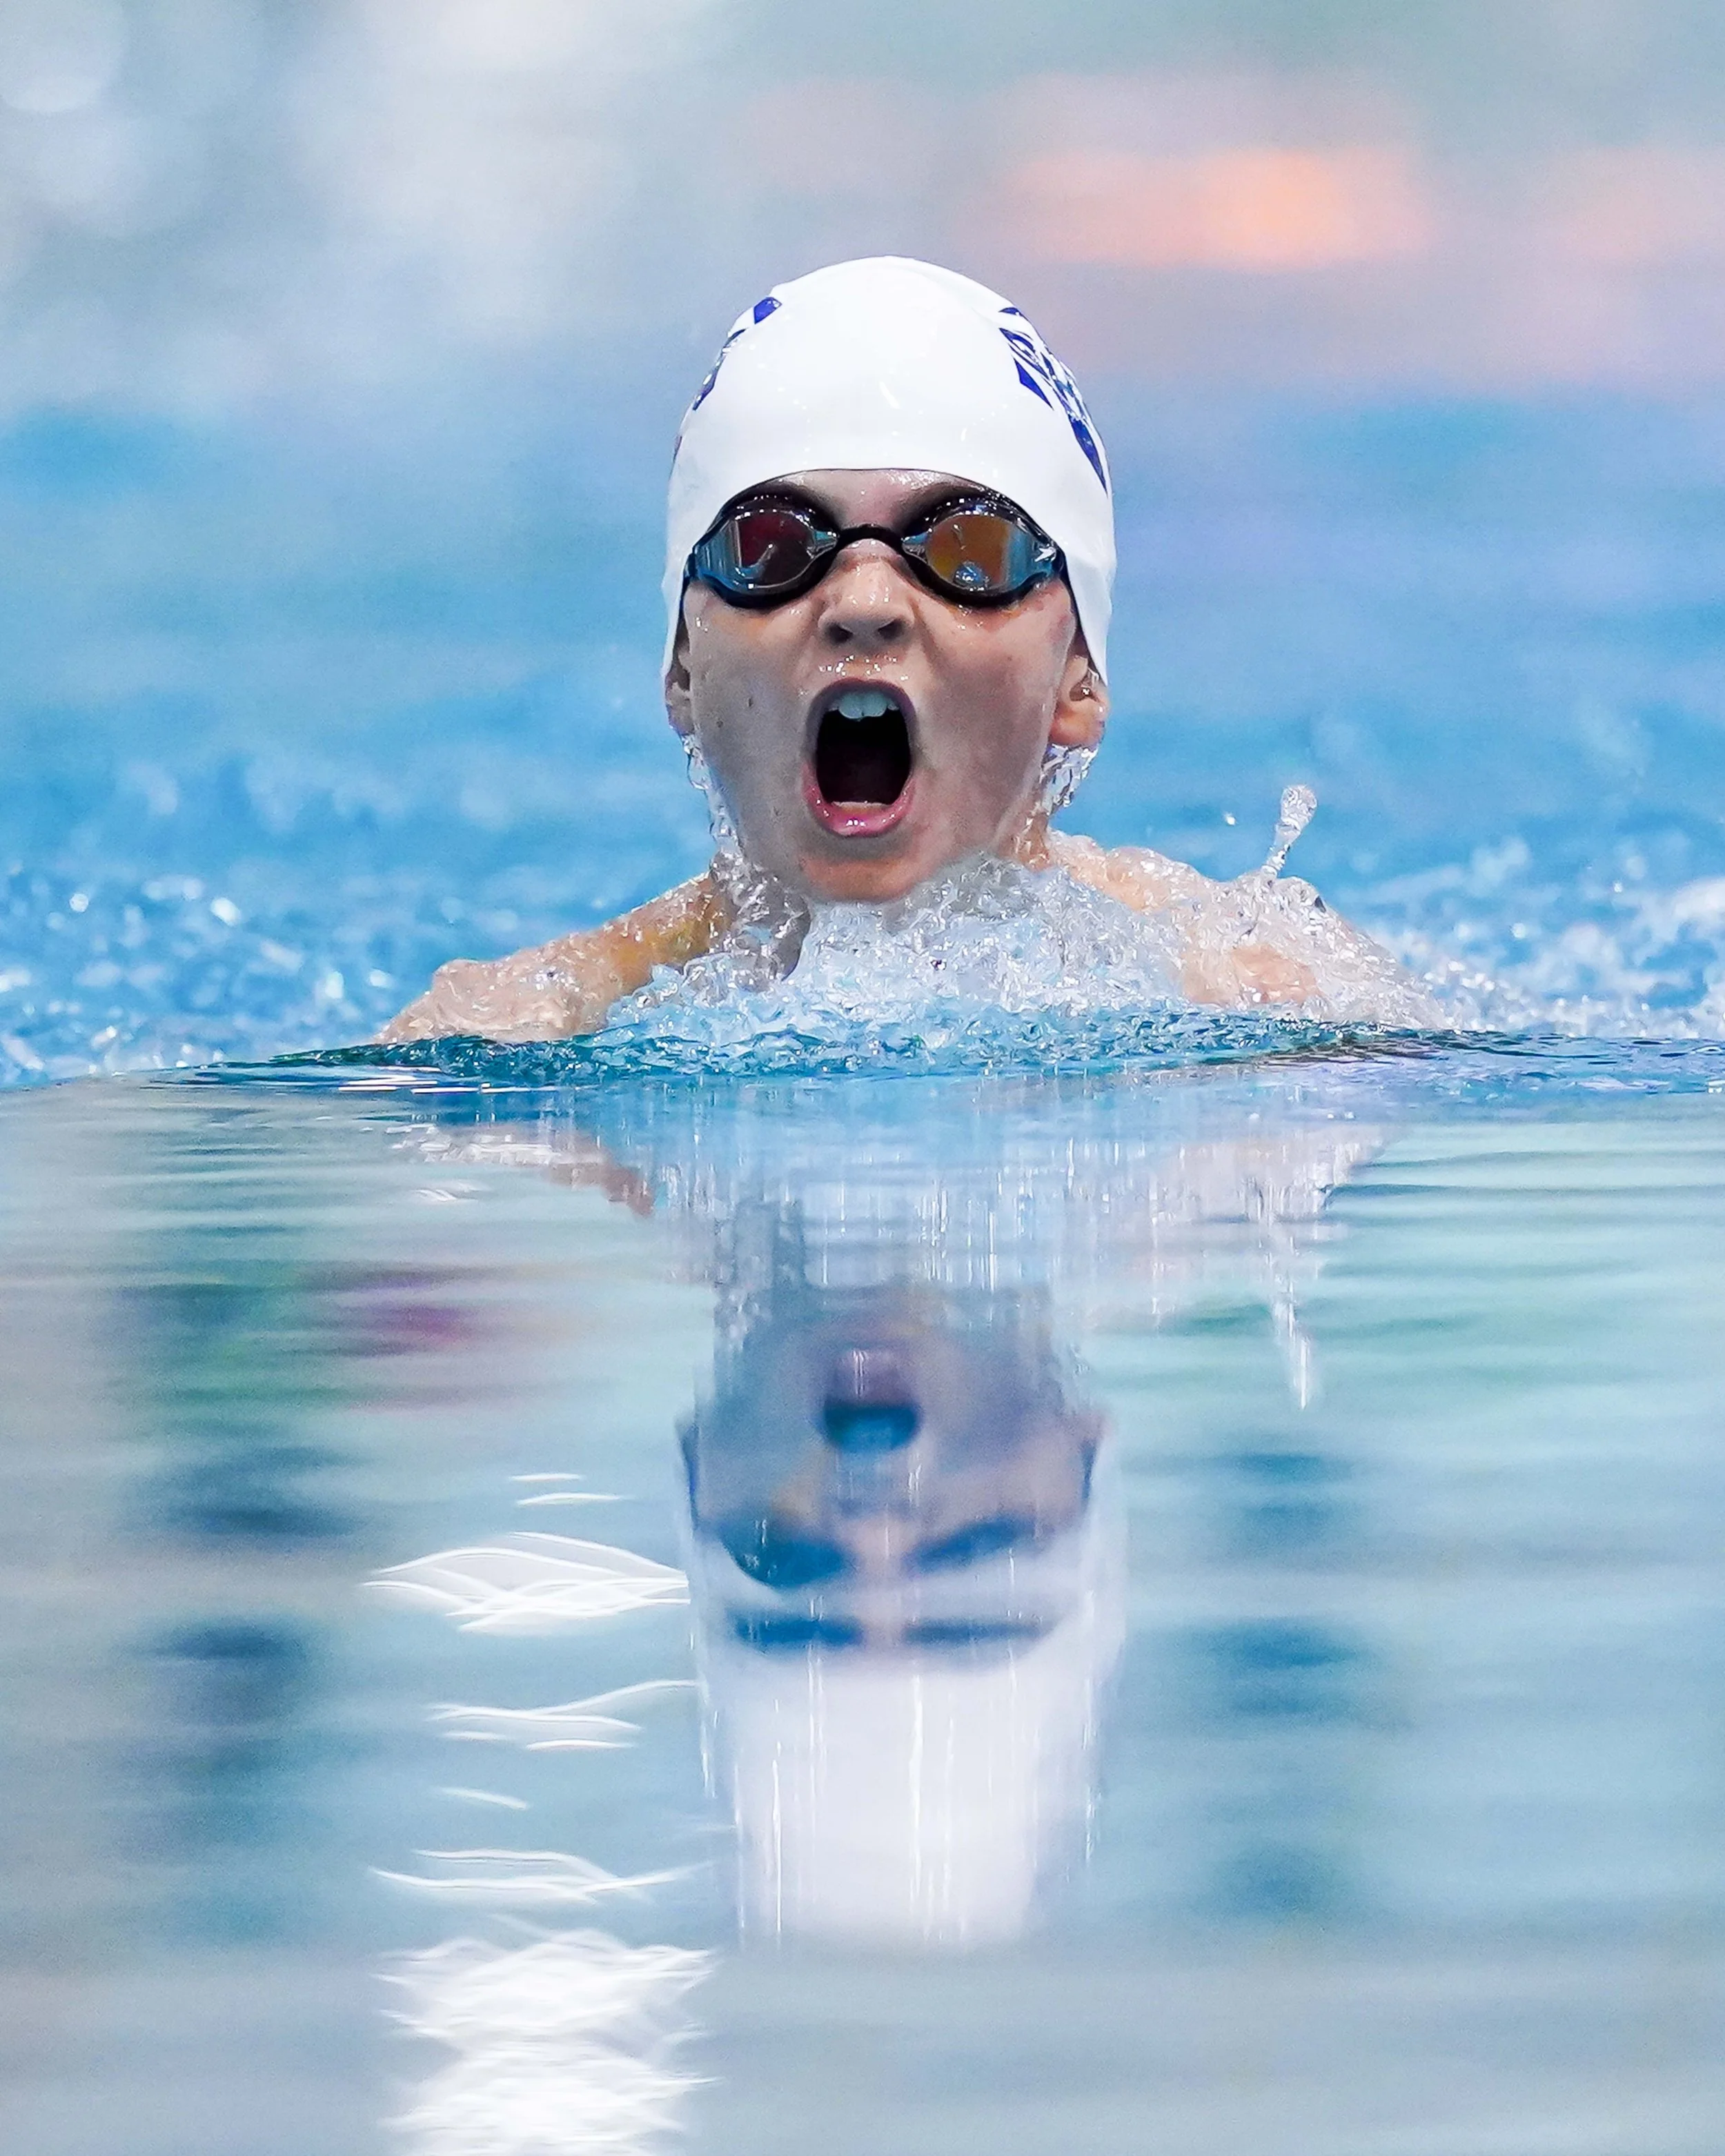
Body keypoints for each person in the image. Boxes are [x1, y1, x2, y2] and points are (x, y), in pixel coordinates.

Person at [384, 257, 1421, 1045]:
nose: (867, 600)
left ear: (1079, 677)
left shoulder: (1274, 1003)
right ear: (683, 671)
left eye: (968, 549)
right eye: (773, 544)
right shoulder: (509, 1030)